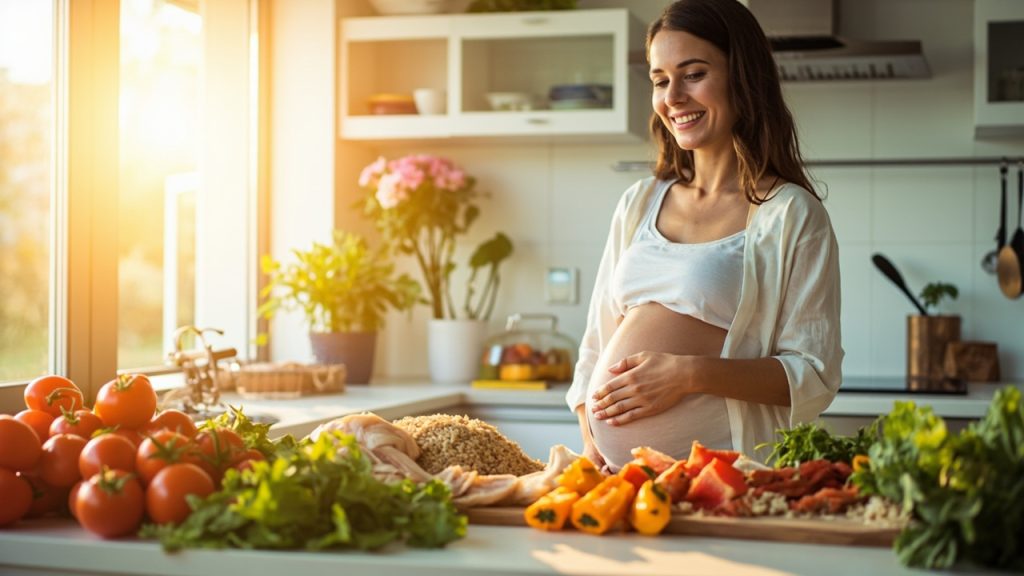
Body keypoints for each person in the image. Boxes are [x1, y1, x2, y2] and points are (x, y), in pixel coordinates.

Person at [565, 0, 842, 472]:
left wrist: (688, 374)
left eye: (693, 74)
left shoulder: (791, 215)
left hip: (730, 481)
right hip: (622, 482)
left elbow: (812, 375)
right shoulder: (639, 202)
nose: (672, 96)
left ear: (742, 78)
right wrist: (593, 441)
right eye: (659, 80)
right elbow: (595, 344)